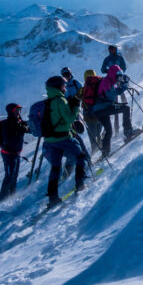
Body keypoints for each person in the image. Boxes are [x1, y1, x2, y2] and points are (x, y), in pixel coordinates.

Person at [42, 76, 87, 206]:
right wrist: (75, 106)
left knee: (55, 168)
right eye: (63, 85)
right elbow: (69, 119)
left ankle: (53, 197)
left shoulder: (47, 101)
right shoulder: (60, 100)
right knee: (81, 156)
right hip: (63, 137)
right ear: (57, 87)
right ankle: (80, 184)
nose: (65, 87)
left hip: (50, 140)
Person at [92, 64, 134, 156]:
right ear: (112, 74)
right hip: (103, 108)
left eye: (120, 75)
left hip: (100, 110)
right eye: (118, 75)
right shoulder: (106, 82)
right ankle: (128, 132)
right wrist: (124, 84)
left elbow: (115, 92)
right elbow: (111, 94)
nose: (119, 78)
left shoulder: (109, 82)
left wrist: (123, 84)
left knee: (109, 130)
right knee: (126, 108)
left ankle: (105, 152)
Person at [0, 103, 30, 201]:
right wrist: (21, 130)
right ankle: (3, 199)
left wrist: (25, 128)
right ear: (11, 112)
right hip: (8, 154)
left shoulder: (19, 121)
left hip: (16, 153)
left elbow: (26, 128)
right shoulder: (8, 123)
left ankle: (12, 196)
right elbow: (9, 139)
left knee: (14, 176)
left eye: (19, 110)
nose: (18, 112)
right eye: (16, 111)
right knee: (9, 176)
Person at [82, 69, 104, 155]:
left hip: (89, 117)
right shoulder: (101, 84)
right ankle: (103, 150)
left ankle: (94, 154)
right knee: (99, 134)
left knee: (93, 137)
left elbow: (79, 98)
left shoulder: (83, 89)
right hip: (100, 114)